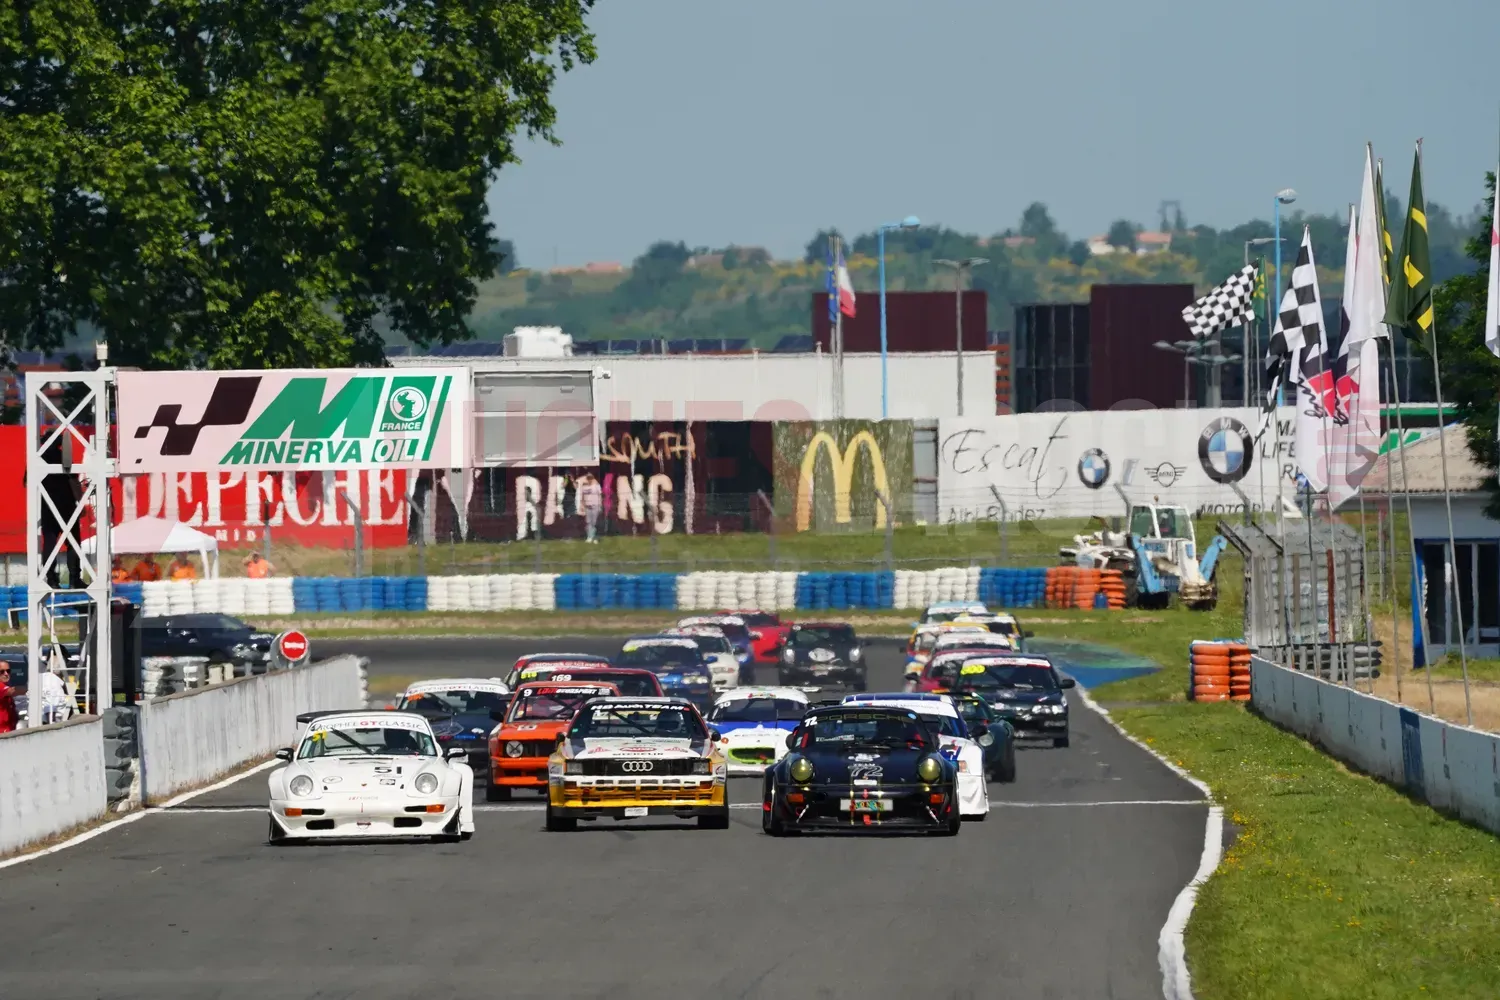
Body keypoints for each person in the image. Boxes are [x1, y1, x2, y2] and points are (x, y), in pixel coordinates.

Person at [577, 475, 603, 544]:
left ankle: (595, 537)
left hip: (595, 505)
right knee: (588, 522)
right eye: (588, 479)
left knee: (594, 522)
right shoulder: (584, 487)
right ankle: (589, 537)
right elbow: (582, 496)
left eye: (591, 478)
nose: (589, 480)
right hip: (587, 506)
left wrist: (600, 505)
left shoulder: (597, 486)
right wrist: (582, 505)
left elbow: (600, 495)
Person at [0, 663, 17, 734]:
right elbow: (9, 691)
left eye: (8, 671)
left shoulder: (6, 685)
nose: (6, 674)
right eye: (2, 671)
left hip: (9, 729)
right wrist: (31, 688)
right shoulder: (1, 686)